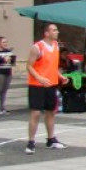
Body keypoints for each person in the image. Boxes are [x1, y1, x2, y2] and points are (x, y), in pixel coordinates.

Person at [26, 23, 69, 154]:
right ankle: (31, 142)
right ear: (47, 33)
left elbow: (53, 66)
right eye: (54, 30)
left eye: (57, 30)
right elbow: (29, 66)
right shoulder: (37, 47)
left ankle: (51, 139)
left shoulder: (56, 46)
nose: (57, 32)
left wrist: (61, 76)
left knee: (51, 111)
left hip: (51, 84)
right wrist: (39, 78)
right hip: (37, 85)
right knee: (36, 113)